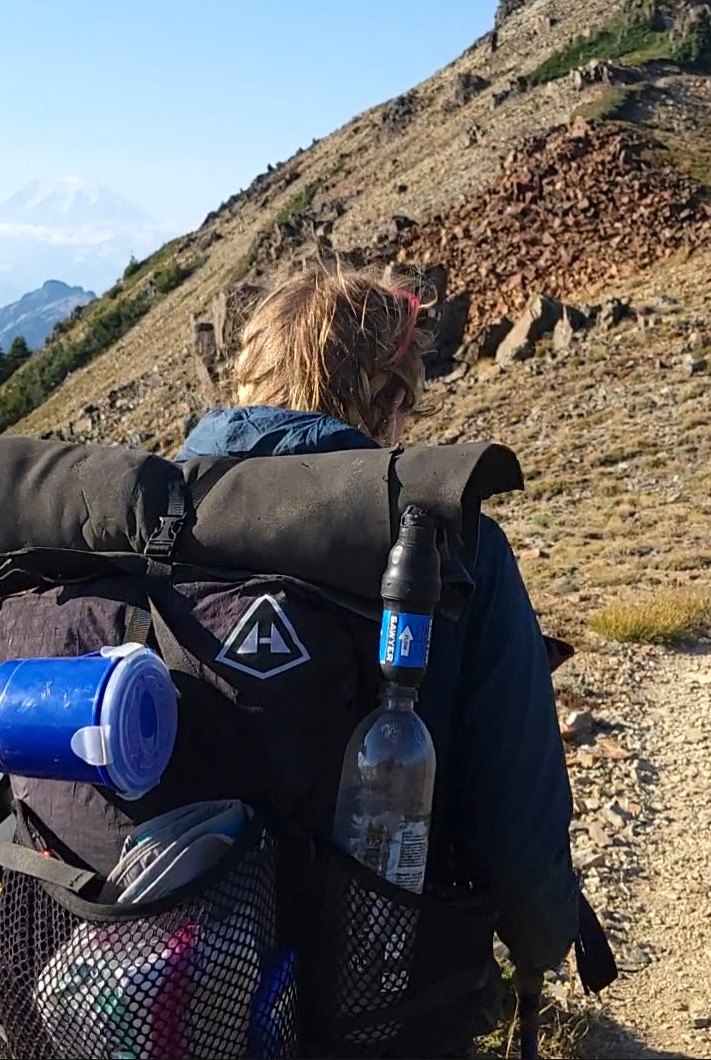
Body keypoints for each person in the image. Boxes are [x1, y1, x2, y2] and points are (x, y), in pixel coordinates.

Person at [173, 265, 583, 990]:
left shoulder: (152, 521)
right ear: (392, 400)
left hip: (167, 967)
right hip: (371, 987)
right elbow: (516, 812)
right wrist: (541, 941)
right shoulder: (448, 547)